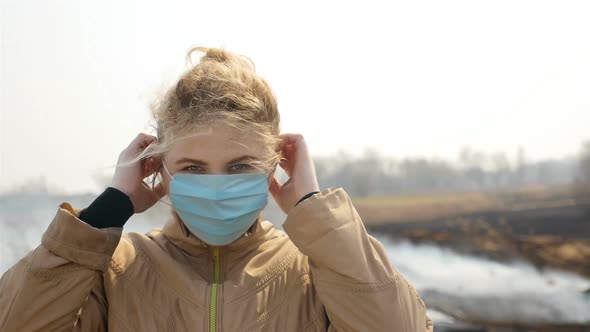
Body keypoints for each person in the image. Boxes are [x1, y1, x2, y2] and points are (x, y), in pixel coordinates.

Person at [0, 46, 433, 331]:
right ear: (158, 168)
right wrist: (106, 213)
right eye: (193, 167)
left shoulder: (315, 271)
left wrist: (316, 212)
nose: (218, 186)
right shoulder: (117, 271)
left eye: (240, 165)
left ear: (275, 165)